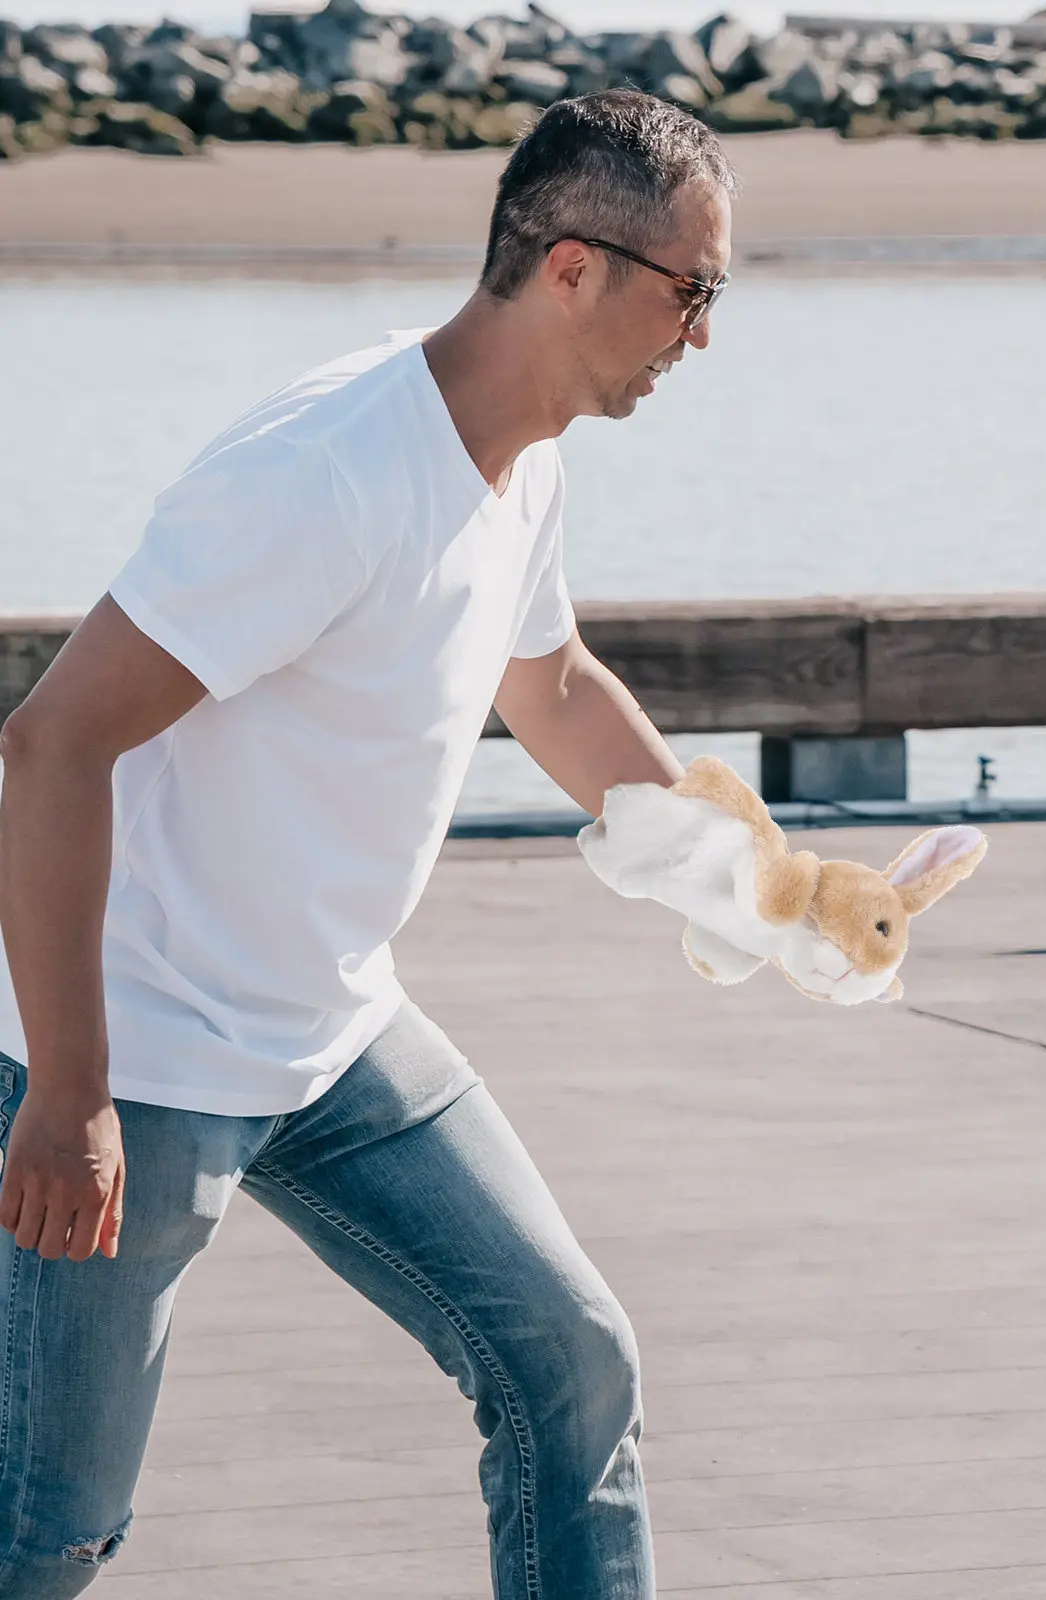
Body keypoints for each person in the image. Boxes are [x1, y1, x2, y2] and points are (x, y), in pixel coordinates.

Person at [0, 90, 734, 1598]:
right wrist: (71, 1092)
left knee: (573, 1366)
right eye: (693, 292)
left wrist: (755, 878)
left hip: (337, 1035)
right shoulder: (324, 473)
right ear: (575, 269)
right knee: (48, 1527)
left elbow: (556, 684)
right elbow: (52, 741)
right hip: (136, 1057)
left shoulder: (522, 460)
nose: (702, 338)